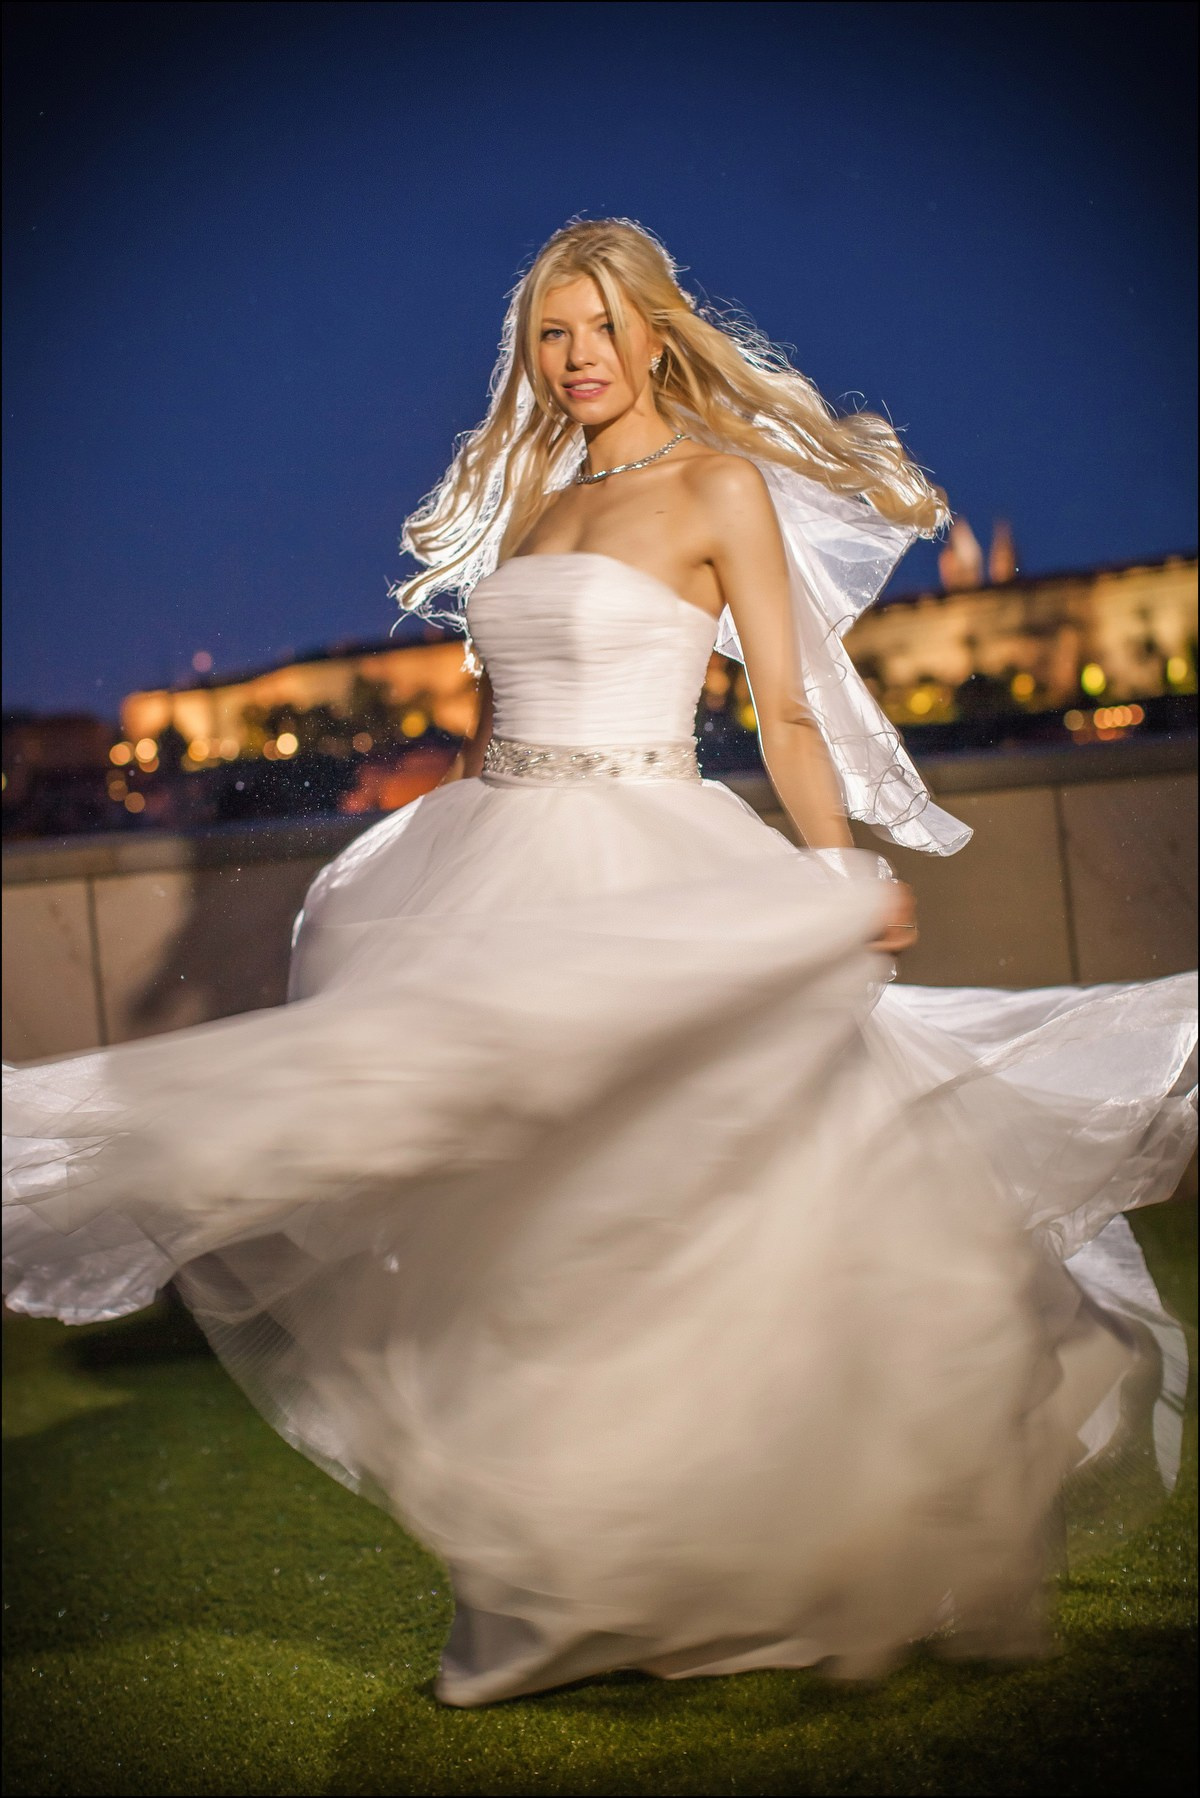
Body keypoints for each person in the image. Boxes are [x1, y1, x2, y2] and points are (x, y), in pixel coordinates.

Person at [3, 219, 1196, 1709]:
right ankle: (563, 1578)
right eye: (549, 336)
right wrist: (428, 879)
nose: (576, 359)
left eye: (598, 329)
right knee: (523, 1226)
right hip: (496, 859)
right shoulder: (532, 503)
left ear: (652, 333)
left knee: (668, 1205)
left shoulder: (718, 486)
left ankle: (725, 1552)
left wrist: (834, 869)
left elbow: (784, 710)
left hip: (648, 854)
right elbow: (486, 725)